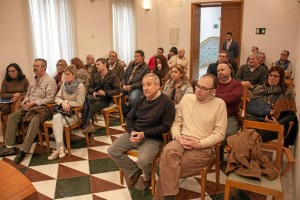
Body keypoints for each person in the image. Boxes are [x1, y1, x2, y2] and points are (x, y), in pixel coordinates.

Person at [154, 74, 227, 200]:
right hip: (182, 139)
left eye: (204, 88)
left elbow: (220, 134)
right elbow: (177, 123)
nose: (198, 90)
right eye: (198, 86)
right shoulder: (187, 98)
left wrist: (199, 144)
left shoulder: (219, 104)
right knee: (168, 152)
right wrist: (177, 136)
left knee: (167, 166)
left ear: (213, 91)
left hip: (203, 146)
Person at [108, 73, 175, 189]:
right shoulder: (142, 99)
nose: (145, 88)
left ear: (158, 85)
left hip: (152, 138)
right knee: (112, 150)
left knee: (143, 161)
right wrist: (132, 131)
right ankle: (135, 171)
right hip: (135, 133)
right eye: (143, 85)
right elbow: (130, 117)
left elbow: (165, 127)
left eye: (149, 85)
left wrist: (144, 134)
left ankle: (148, 178)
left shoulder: (167, 102)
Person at [0, 58, 57, 164]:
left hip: (44, 108)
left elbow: (50, 99)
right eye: (34, 66)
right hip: (29, 107)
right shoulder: (33, 80)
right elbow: (27, 94)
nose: (34, 68)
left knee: (35, 120)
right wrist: (25, 103)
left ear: (44, 67)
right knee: (12, 117)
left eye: (37, 66)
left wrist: (33, 103)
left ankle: (23, 150)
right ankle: (9, 147)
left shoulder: (50, 81)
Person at [246, 66, 298, 147]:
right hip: (256, 119)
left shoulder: (286, 93)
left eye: (275, 76)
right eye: (270, 75)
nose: (272, 78)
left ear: (281, 78)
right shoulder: (259, 89)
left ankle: (244, 156)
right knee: (249, 131)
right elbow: (250, 108)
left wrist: (277, 123)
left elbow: (291, 115)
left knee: (251, 138)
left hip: (274, 124)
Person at [47, 66, 85, 160]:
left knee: (56, 120)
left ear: (74, 75)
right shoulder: (64, 84)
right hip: (63, 112)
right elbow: (57, 97)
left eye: (68, 74)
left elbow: (79, 103)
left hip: (75, 114)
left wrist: (67, 102)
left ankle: (59, 148)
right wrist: (63, 102)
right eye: (65, 74)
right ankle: (61, 147)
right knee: (56, 118)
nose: (65, 76)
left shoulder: (80, 86)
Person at [82, 58, 121, 140]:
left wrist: (105, 93)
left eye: (98, 64)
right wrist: (93, 92)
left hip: (106, 99)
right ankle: (89, 125)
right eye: (96, 65)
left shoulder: (113, 76)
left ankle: (86, 125)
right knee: (87, 102)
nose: (96, 66)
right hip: (95, 97)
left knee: (90, 105)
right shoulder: (95, 75)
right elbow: (89, 87)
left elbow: (117, 91)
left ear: (104, 64)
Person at [0, 63, 29, 137]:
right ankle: (11, 132)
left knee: (19, 108)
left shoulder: (24, 80)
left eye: (13, 71)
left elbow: (28, 92)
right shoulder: (5, 81)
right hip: (7, 101)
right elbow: (2, 94)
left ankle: (15, 130)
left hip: (20, 100)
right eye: (9, 71)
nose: (11, 73)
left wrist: (19, 95)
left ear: (18, 71)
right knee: (5, 108)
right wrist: (13, 95)